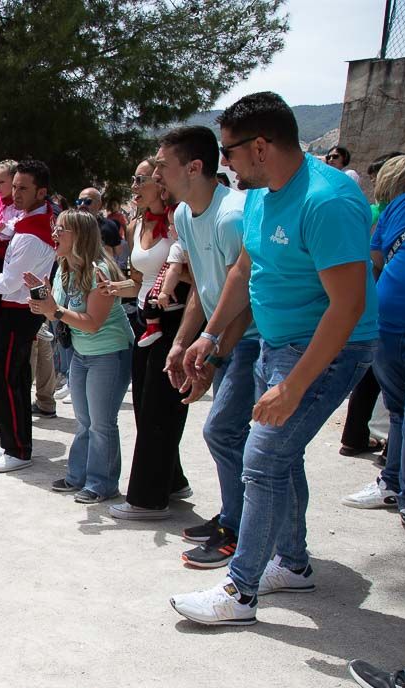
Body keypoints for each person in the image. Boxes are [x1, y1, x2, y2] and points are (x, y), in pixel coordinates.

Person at [170, 92, 378, 626]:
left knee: (262, 458)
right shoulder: (261, 194)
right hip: (274, 345)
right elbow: (244, 269)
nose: (226, 162)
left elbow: (349, 305)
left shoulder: (327, 201)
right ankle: (293, 563)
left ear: (260, 147)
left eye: (230, 151)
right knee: (279, 455)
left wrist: (294, 385)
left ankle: (241, 593)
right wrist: (211, 337)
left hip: (326, 350)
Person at [155, 125, 256, 569]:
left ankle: (241, 530)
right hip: (220, 335)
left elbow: (248, 297)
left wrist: (212, 351)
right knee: (230, 435)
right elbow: (202, 288)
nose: (155, 174)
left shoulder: (233, 213)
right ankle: (235, 516)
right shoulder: (182, 215)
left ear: (194, 167)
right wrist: (181, 342)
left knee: (224, 432)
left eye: (162, 165)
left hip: (253, 339)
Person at [28, 210, 134, 502]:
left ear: (79, 236)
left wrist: (55, 310)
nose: (54, 235)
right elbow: (60, 317)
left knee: (101, 422)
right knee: (85, 420)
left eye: (61, 230)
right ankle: (78, 476)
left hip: (109, 353)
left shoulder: (101, 270)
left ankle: (102, 484)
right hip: (82, 353)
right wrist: (44, 304)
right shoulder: (63, 268)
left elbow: (92, 322)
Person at [108, 159, 192, 519]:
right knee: (146, 408)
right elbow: (139, 280)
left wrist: (173, 281)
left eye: (141, 179)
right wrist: (115, 288)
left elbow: (195, 271)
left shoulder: (181, 221)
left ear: (161, 184)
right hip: (145, 320)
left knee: (160, 408)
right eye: (134, 179)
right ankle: (171, 480)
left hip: (174, 321)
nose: (134, 186)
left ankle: (147, 499)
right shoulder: (137, 224)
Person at [342, 156, 405, 523]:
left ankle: (393, 485)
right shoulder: (402, 206)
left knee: (401, 412)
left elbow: (375, 255)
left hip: (386, 321)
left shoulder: (393, 210)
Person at [0, 160, 57, 473]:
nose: (16, 193)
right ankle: (13, 442)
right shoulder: (29, 221)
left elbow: (9, 283)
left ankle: (18, 450)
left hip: (16, 310)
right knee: (14, 378)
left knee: (8, 378)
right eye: (15, 186)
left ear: (41, 192)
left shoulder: (30, 234)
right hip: (19, 310)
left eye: (24, 188)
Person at [76, 187, 122, 260]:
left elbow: (118, 251)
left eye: (87, 201)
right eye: (79, 201)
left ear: (99, 204)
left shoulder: (109, 226)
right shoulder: (71, 225)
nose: (82, 204)